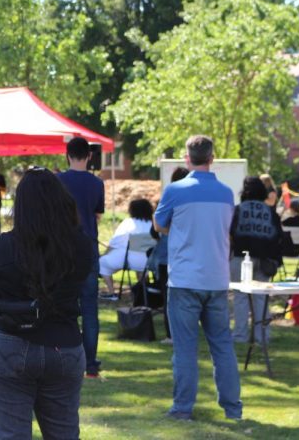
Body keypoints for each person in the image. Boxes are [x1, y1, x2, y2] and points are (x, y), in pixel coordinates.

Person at [0, 167, 93, 439]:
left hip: (10, 343)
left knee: (11, 433)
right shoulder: (80, 245)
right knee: (64, 432)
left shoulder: (2, 247)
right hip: (63, 344)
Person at [154, 135, 241, 421]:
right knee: (222, 347)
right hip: (216, 279)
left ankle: (182, 408)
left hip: (184, 280)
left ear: (186, 158)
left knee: (185, 349)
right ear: (212, 158)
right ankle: (232, 408)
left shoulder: (174, 190)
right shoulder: (227, 193)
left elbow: (159, 225)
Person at [57, 137, 106, 378]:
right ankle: (90, 364)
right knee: (89, 307)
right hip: (89, 249)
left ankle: (64, 355)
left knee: (62, 304)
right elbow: (97, 215)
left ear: (67, 155)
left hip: (64, 249)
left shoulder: (58, 181)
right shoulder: (97, 184)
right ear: (89, 156)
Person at [229, 176, 283, 344]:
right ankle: (262, 336)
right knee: (261, 298)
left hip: (240, 257)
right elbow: (278, 237)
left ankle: (240, 335)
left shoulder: (237, 210)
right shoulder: (270, 212)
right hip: (265, 260)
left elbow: (230, 234)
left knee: (240, 297)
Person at [148, 167, 190, 344]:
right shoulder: (191, 201)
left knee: (169, 298)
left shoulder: (168, 198)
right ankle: (186, 331)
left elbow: (154, 230)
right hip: (187, 254)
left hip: (167, 255)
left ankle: (171, 334)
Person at [98, 198, 155, 299]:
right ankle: (143, 291)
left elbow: (115, 242)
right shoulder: (154, 224)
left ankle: (112, 293)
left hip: (129, 260)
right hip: (149, 262)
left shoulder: (128, 222)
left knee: (101, 262)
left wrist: (105, 253)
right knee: (141, 268)